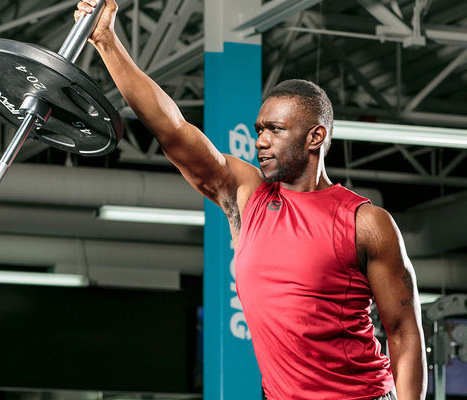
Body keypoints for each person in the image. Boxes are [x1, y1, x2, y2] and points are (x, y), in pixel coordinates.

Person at [74, 1, 427, 399]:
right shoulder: (248, 197)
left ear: (315, 137)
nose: (260, 141)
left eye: (275, 130)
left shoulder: (365, 222)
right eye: (260, 129)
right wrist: (105, 41)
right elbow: (172, 130)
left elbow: (403, 332)